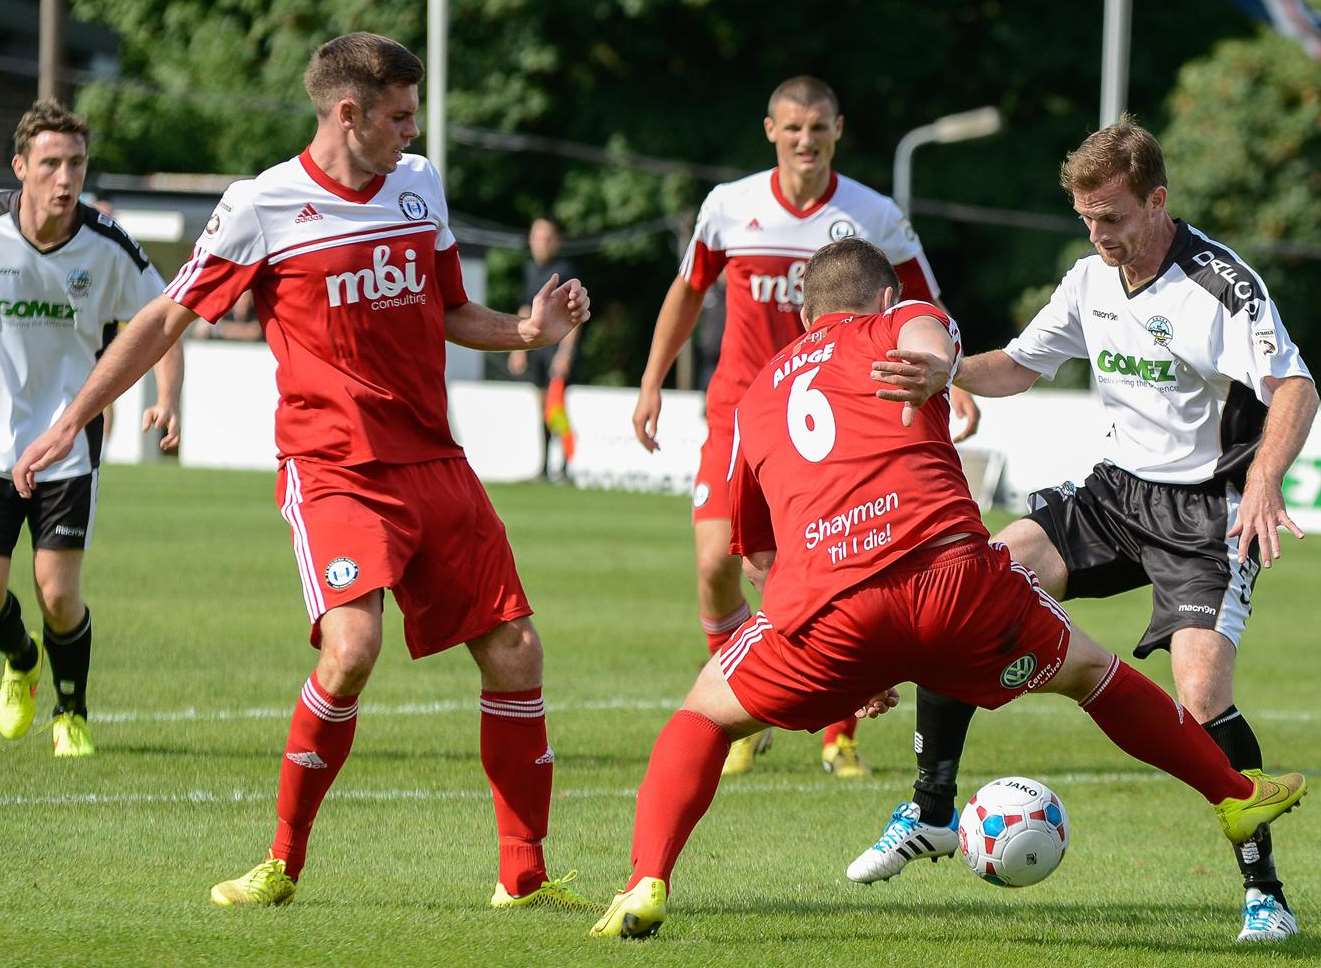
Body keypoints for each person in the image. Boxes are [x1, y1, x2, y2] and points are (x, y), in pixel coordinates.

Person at [12, 33, 591, 910]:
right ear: (347, 112)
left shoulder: (419, 182)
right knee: (352, 649)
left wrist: (528, 329)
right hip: (335, 469)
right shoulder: (262, 205)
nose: (412, 130)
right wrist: (75, 419)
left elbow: (452, 310)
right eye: (398, 115)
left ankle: (525, 877)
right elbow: (167, 317)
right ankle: (281, 861)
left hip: (435, 460)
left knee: (516, 651)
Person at [588, 238, 1305, 940]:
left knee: (701, 717)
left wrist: (851, 666)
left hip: (827, 609)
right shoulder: (901, 320)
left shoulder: (755, 393)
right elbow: (932, 342)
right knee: (1091, 672)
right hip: (953, 581)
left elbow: (759, 561)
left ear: (804, 316)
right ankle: (1233, 794)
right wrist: (934, 367)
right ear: (880, 297)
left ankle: (645, 883)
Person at [853, 115, 1319, 944]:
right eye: (1086, 219)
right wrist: (947, 370)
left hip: (1205, 514)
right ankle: (930, 809)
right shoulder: (1086, 281)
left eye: (1111, 216)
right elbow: (1017, 368)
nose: (1099, 234)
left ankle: (1265, 895)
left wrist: (1261, 478)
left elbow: (1294, 387)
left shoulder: (1219, 285)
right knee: (971, 581)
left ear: (1156, 199)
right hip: (1114, 496)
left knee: (1202, 693)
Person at [631, 76, 980, 780]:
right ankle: (739, 710)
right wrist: (651, 379)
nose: (805, 141)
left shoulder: (871, 213)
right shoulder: (728, 206)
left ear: (837, 130)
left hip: (834, 416)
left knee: (836, 566)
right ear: (770, 130)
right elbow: (688, 290)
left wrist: (956, 378)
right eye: (792, 128)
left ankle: (839, 732)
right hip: (741, 410)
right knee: (715, 565)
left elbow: (923, 301)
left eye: (817, 128)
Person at [0, 100, 181, 757]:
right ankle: (19, 660)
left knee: (57, 593)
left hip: (68, 448)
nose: (63, 176)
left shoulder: (106, 247)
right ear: (20, 166)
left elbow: (165, 317)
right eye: (49, 163)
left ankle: (69, 712)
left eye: (75, 162)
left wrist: (168, 396)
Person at [508, 217, 579, 480]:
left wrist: (565, 353)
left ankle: (566, 464)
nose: (541, 243)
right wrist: (518, 348)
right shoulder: (530, 270)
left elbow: (575, 316)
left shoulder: (564, 271)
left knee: (556, 408)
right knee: (542, 408)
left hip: (556, 350)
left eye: (547, 237)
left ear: (557, 241)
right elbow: (525, 309)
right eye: (537, 237)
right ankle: (546, 465)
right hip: (537, 349)